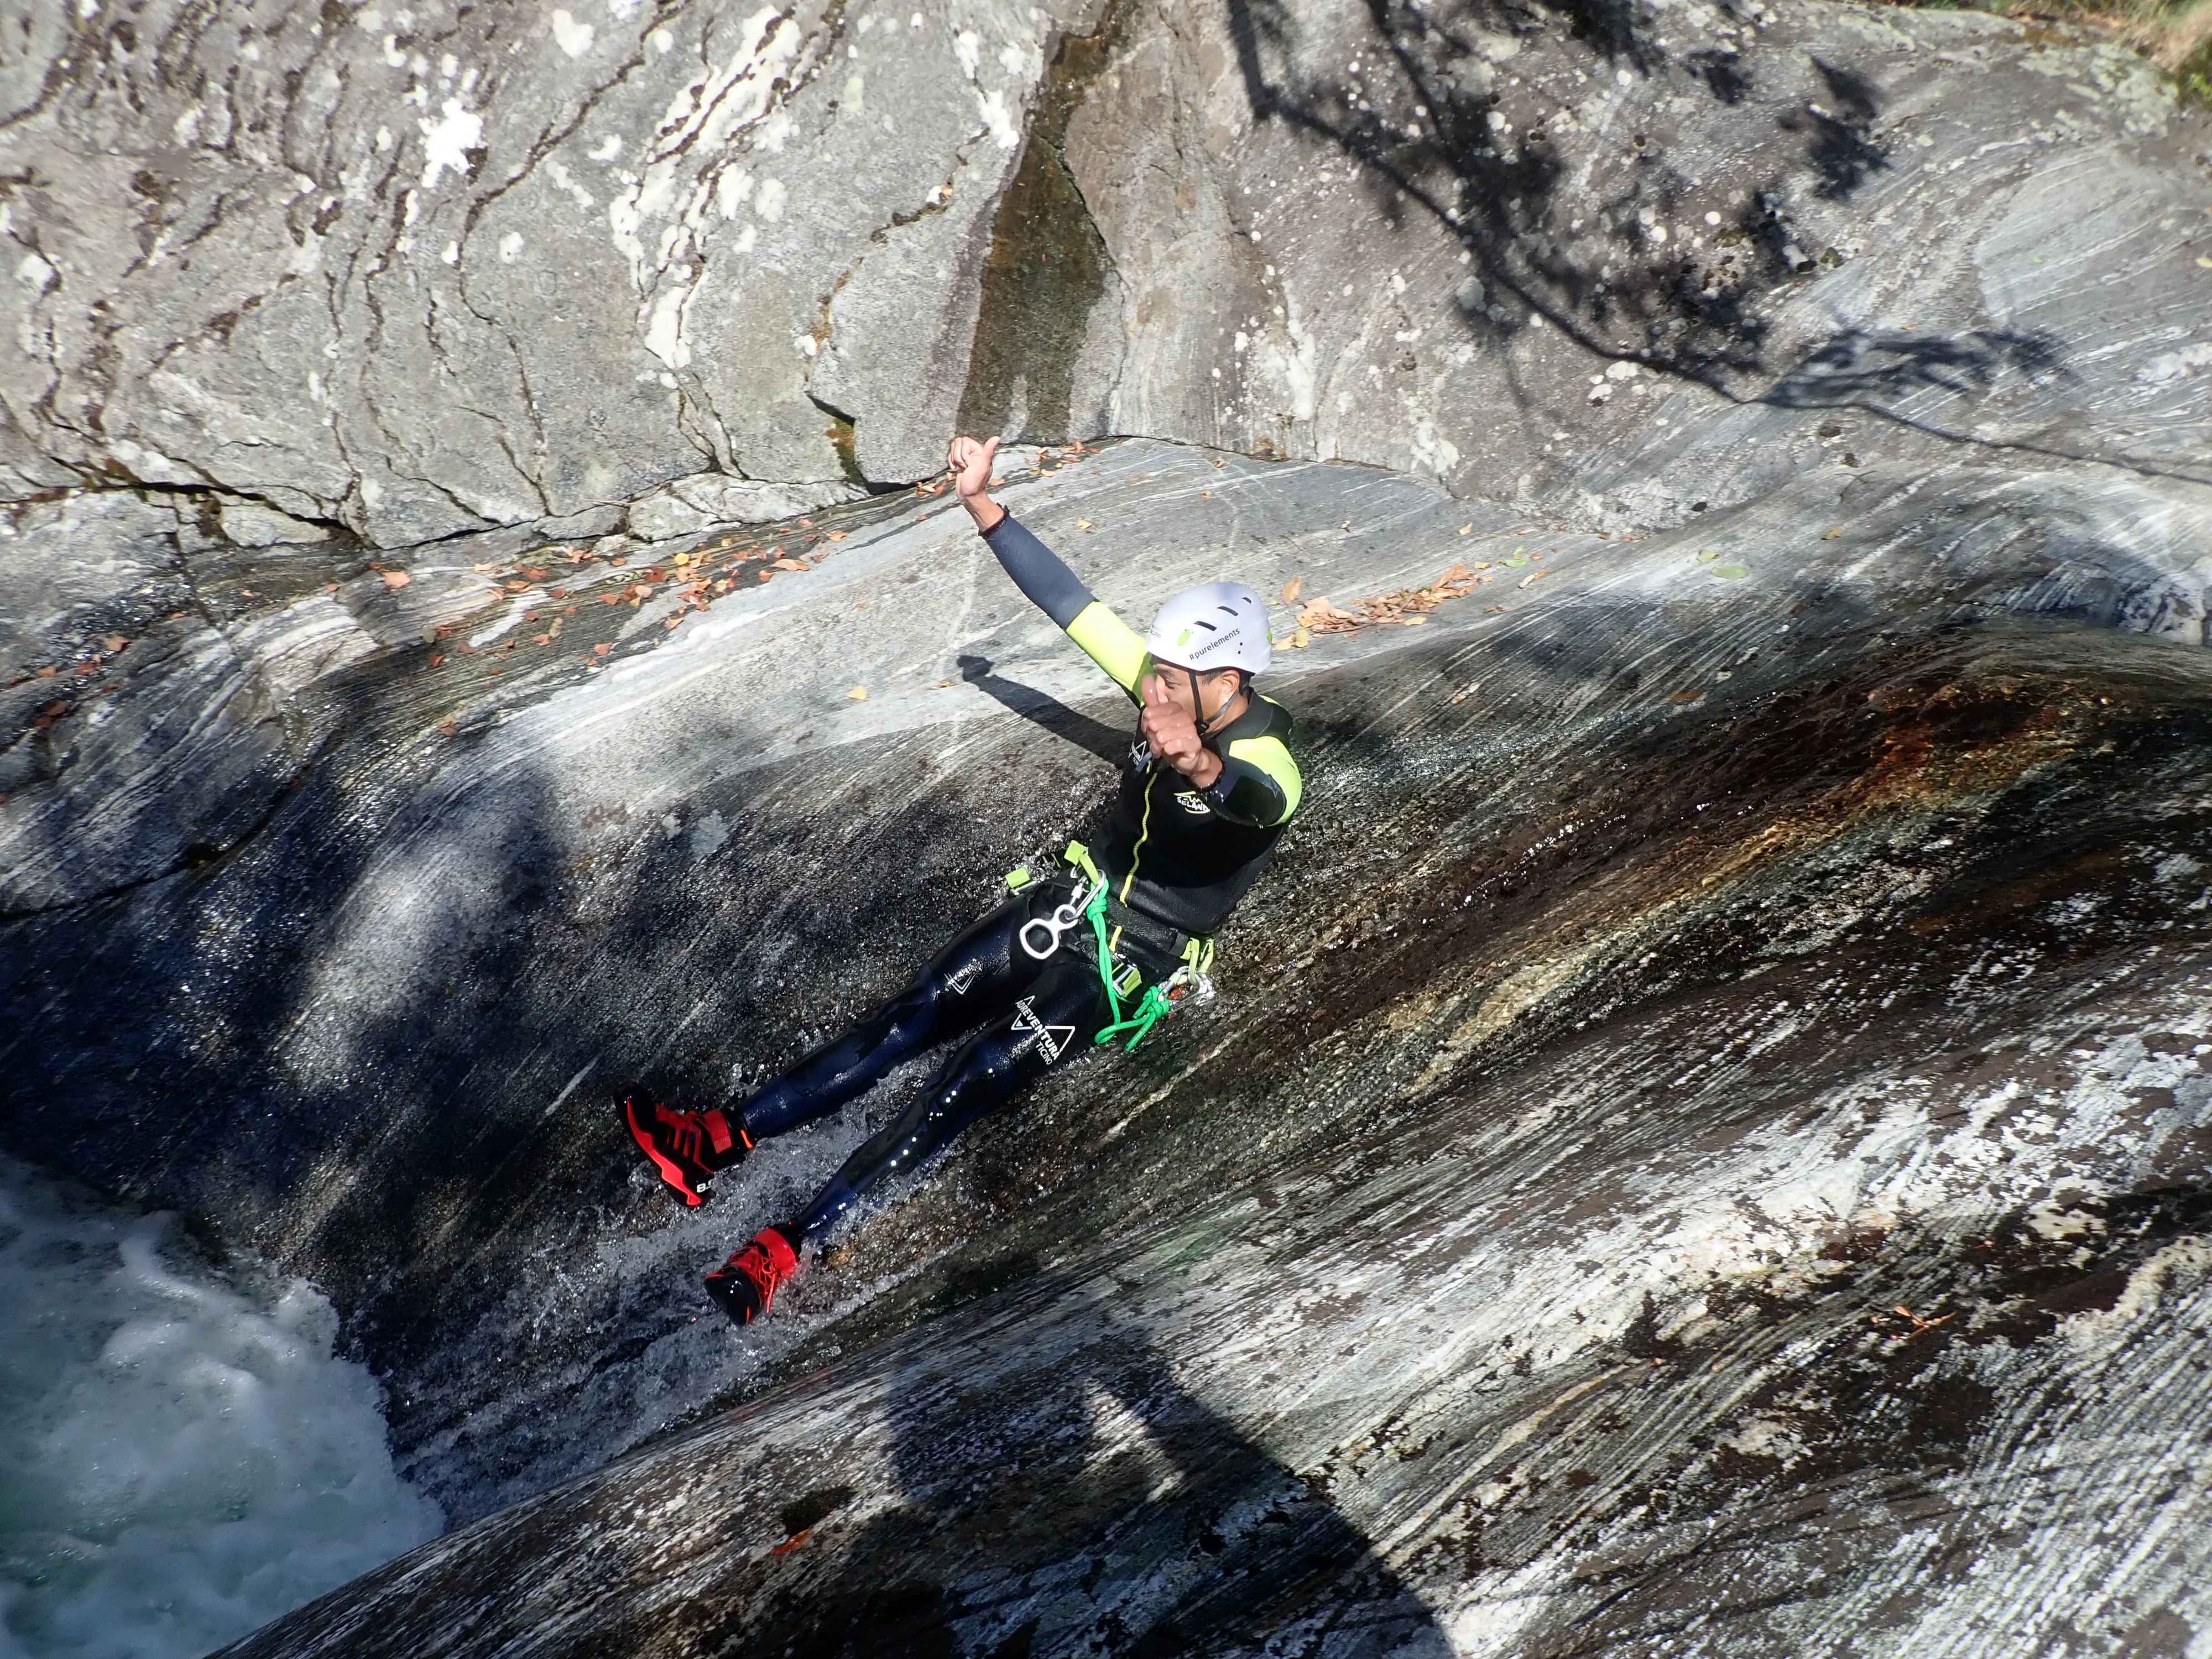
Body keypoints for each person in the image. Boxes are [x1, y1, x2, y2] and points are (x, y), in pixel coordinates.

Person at [622, 434, 1305, 1326]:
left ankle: (788, 1249)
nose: (1154, 699)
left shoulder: (1266, 754)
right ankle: (713, 1140)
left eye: (1173, 685)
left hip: (1138, 958)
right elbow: (1071, 602)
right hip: (1075, 901)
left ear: (1228, 680)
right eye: (1156, 680)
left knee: (973, 1077)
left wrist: (1202, 768)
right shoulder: (1160, 688)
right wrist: (983, 502)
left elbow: (1262, 803)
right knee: (917, 1011)